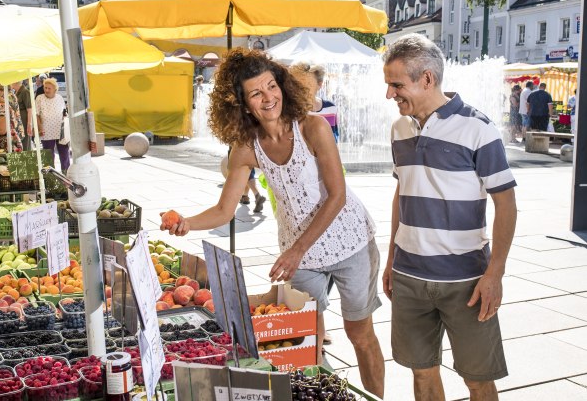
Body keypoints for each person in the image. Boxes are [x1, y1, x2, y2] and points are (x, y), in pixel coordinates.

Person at [161, 48, 385, 398]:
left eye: (271, 86)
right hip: (302, 255)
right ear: (242, 103)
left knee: (360, 334)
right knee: (308, 338)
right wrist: (185, 223)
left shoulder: (312, 127)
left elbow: (337, 195)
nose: (268, 97)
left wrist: (297, 250)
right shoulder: (246, 148)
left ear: (282, 85)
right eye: (256, 92)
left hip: (349, 241)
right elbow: (223, 210)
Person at [382, 33, 517, 401]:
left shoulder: (477, 127)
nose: (390, 95)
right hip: (409, 277)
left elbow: (506, 203)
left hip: (467, 281)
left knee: (478, 379)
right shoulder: (399, 129)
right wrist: (392, 256)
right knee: (422, 376)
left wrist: (495, 274)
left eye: (397, 85)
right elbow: (403, 191)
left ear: (427, 79)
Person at [33, 78, 70, 173]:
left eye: (49, 88)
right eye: (45, 88)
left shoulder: (60, 98)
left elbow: (64, 113)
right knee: (49, 154)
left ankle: (66, 172)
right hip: (46, 130)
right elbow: (36, 114)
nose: (47, 90)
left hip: (60, 130)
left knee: (64, 153)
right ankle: (51, 176)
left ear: (55, 89)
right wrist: (40, 128)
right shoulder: (39, 98)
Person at [11, 80, 32, 151]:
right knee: (20, 139)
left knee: (25, 140)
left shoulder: (25, 92)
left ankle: (26, 158)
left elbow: (29, 109)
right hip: (18, 120)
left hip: (24, 120)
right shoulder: (16, 92)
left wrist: (29, 123)